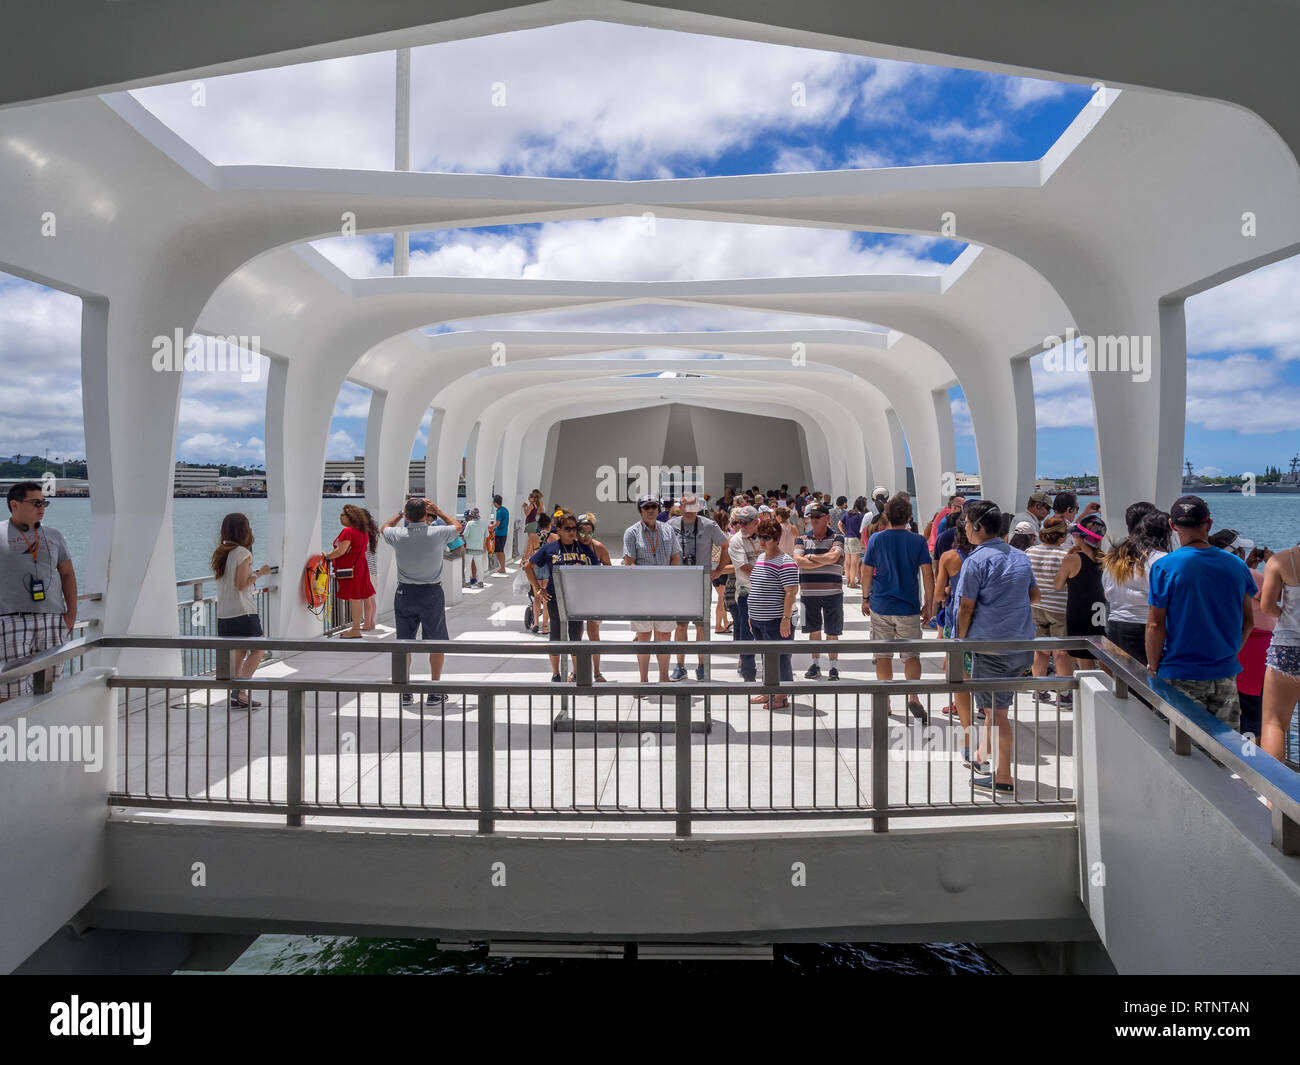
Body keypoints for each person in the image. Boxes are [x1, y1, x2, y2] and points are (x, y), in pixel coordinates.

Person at [954, 500, 1041, 794]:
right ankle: (981, 756)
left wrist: (959, 643)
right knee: (996, 709)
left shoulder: (975, 561)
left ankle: (1003, 776)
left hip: (990, 649)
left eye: (966, 523)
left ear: (978, 526)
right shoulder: (1020, 557)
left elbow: (965, 608)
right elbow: (1034, 595)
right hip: (1020, 644)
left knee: (998, 714)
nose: (964, 527)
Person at [1145, 496, 1255, 728]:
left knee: (1177, 749)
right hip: (1224, 671)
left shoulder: (1164, 567)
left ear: (1173, 526)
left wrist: (1153, 668)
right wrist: (1230, 652)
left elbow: (1155, 625)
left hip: (1179, 671)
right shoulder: (1238, 566)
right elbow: (1248, 622)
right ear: (1209, 524)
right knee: (1223, 752)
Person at [381, 497, 463, 706]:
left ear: (407, 516)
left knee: (404, 643)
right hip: (431, 593)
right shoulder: (437, 533)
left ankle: (405, 691)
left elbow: (384, 527)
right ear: (427, 515)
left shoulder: (398, 535)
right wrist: (439, 510)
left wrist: (400, 513)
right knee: (436, 643)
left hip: (405, 593)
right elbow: (457, 526)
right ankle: (434, 691)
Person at [0, 482, 77, 700]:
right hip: (11, 620)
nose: (41, 507)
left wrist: (71, 615)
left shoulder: (54, 536)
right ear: (14, 504)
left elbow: (67, 575)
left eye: (44, 502)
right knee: (9, 691)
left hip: (52, 620)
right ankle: (10, 732)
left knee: (50, 688)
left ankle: (44, 731)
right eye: (36, 503)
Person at [861, 492, 934, 720]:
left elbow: (866, 571)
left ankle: (886, 701)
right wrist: (930, 603)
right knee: (911, 655)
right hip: (908, 607)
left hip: (881, 604)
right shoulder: (918, 541)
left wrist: (865, 597)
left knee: (883, 655)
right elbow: (927, 574)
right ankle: (913, 696)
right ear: (909, 517)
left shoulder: (876, 539)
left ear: (886, 515)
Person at [524, 509, 600, 681]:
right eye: (567, 528)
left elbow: (597, 569)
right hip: (554, 597)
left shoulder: (583, 548)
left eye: (574, 528)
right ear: (558, 530)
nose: (572, 531)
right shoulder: (550, 548)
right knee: (556, 636)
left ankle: (576, 672)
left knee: (575, 636)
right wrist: (538, 588)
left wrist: (585, 570)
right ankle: (556, 673)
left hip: (576, 599)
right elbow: (528, 566)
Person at [1210, 529, 1271, 739]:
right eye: (1242, 550)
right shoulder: (1253, 576)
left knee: (1232, 703)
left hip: (1225, 646)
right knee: (1253, 710)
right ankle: (1249, 760)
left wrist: (1248, 568)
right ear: (1236, 553)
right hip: (1255, 647)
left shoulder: (1213, 574)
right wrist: (1271, 566)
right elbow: (1277, 594)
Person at [665, 493, 732, 681]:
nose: (688, 510)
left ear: (698, 507)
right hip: (679, 581)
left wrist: (719, 569)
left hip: (701, 581)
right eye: (685, 506)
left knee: (701, 626)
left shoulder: (708, 525)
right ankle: (680, 665)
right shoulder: (671, 525)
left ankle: (702, 665)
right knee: (681, 625)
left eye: (692, 506)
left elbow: (725, 545)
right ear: (681, 506)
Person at [211, 512, 271, 709]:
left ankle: (236, 694)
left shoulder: (221, 552)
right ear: (243, 530)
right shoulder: (243, 553)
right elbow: (241, 584)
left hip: (224, 613)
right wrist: (260, 573)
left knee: (239, 649)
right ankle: (240, 689)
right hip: (243, 611)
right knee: (259, 648)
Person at [622, 493, 681, 685]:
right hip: (642, 593)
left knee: (664, 635)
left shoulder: (668, 530)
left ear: (658, 509)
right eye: (646, 507)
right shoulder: (632, 532)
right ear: (640, 510)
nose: (650, 510)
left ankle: (664, 678)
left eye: (653, 507)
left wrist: (671, 581)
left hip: (665, 592)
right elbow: (629, 563)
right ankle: (644, 681)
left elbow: (675, 558)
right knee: (644, 636)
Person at [1100, 509, 1169, 666]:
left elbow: (1107, 593)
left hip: (1115, 625)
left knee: (1124, 683)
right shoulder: (1162, 560)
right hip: (1144, 627)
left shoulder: (1116, 557)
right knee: (1148, 684)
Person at [933, 512, 975, 752]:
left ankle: (967, 733)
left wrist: (948, 589)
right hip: (983, 624)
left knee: (959, 678)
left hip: (955, 622)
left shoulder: (949, 557)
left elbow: (939, 595)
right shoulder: (983, 556)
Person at [748, 516, 799, 710]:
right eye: (759, 536)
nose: (762, 541)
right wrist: (752, 614)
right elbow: (757, 587)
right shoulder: (761, 558)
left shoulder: (785, 562)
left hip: (777, 620)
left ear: (777, 538)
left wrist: (785, 619)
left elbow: (791, 592)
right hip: (760, 619)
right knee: (766, 657)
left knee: (781, 658)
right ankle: (768, 690)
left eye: (767, 537)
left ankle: (781, 695)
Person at [793, 503, 846, 680]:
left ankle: (833, 667)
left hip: (833, 594)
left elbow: (834, 556)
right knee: (813, 631)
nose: (813, 520)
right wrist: (825, 560)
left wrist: (810, 557)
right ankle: (815, 664)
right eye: (811, 517)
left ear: (827, 518)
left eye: (817, 516)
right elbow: (798, 561)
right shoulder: (801, 538)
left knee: (832, 632)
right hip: (809, 595)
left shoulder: (838, 537)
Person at [1025, 516, 1074, 704]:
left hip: (1035, 606)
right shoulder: (1065, 555)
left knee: (1041, 649)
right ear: (1061, 536)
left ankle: (1039, 689)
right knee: (1061, 651)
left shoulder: (1030, 552)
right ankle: (1064, 693)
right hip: (1059, 607)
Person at [1258, 543, 1300, 762]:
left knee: (1274, 723)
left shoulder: (1281, 561)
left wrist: (1285, 614)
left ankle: (1274, 795)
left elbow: (1266, 606)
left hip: (1287, 648)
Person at [1054, 513, 1109, 675]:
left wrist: (1068, 556)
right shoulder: (1105, 560)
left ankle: (1091, 697)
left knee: (1085, 661)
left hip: (1080, 615)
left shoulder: (1072, 559)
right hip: (1100, 614)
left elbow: (1057, 585)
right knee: (1103, 658)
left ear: (1081, 537)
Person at [321, 503, 376, 639]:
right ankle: (356, 626)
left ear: (351, 517)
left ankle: (356, 628)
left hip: (351, 569)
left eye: (342, 515)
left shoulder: (348, 532)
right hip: (361, 567)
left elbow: (341, 551)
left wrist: (326, 556)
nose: (340, 517)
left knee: (354, 598)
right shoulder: (363, 532)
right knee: (357, 597)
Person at [575, 513, 612, 682]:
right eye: (582, 532)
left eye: (589, 532)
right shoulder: (571, 547)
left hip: (594, 598)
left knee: (594, 634)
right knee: (576, 635)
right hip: (575, 598)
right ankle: (575, 672)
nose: (585, 536)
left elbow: (610, 572)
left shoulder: (599, 548)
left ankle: (597, 672)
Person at [728, 505, 761, 684]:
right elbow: (745, 568)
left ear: (756, 522)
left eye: (745, 522)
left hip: (767, 594)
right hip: (747, 594)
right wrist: (770, 572)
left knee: (769, 638)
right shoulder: (736, 540)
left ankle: (771, 679)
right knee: (747, 638)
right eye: (738, 522)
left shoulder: (765, 536)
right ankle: (749, 680)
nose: (741, 525)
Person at [530, 511, 553, 635]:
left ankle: (535, 624)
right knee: (546, 599)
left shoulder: (533, 537)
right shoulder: (554, 537)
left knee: (537, 597)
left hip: (536, 568)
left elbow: (528, 555)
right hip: (549, 568)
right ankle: (545, 626)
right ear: (549, 525)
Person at [925, 493, 965, 558]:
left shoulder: (945, 514)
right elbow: (940, 540)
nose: (965, 510)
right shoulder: (945, 520)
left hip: (936, 547)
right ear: (954, 507)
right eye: (962, 507)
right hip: (938, 550)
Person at [841, 496, 868, 589]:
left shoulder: (847, 513)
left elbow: (839, 524)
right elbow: (863, 530)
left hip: (847, 538)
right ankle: (852, 582)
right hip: (855, 539)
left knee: (847, 562)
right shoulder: (861, 516)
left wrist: (844, 532)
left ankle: (848, 580)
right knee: (854, 562)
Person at [360, 507, 379, 630]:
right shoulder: (372, 532)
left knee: (366, 598)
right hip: (372, 570)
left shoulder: (363, 533)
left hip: (365, 571)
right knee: (371, 598)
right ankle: (371, 622)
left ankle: (367, 624)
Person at [461, 507, 487, 587]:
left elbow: (465, 535)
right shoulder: (484, 524)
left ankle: (467, 582)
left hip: (469, 548)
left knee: (467, 566)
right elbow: (486, 536)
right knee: (479, 566)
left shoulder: (469, 524)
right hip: (479, 548)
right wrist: (484, 547)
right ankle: (481, 582)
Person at [522, 489, 544, 561]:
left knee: (531, 541)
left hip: (531, 523)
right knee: (532, 541)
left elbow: (526, 514)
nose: (528, 498)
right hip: (534, 522)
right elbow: (541, 512)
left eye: (530, 497)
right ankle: (531, 557)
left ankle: (526, 558)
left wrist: (524, 507)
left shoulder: (532, 504)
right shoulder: (536, 504)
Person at [490, 494, 509, 576]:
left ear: (495, 502)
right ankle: (502, 567)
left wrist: (491, 527)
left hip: (499, 534)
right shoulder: (505, 510)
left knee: (499, 551)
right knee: (500, 551)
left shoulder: (499, 511)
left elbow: (497, 523)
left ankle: (502, 568)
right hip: (504, 533)